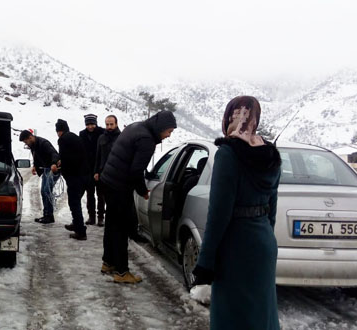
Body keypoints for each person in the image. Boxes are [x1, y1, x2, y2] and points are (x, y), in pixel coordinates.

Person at [192, 96, 282, 330]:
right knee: (261, 314)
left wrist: (205, 263)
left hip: (236, 246)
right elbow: (272, 206)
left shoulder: (228, 154)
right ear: (255, 119)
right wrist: (265, 237)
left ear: (229, 117)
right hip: (263, 244)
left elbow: (219, 213)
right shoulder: (270, 154)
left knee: (232, 317)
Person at [99, 111, 177, 283]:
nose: (168, 135)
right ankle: (121, 272)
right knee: (121, 228)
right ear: (160, 128)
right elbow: (136, 171)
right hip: (119, 186)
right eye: (168, 131)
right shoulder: (147, 140)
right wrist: (143, 191)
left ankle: (109, 262)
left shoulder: (136, 127)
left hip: (108, 181)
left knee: (112, 225)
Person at [55, 119, 90, 240]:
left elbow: (66, 158)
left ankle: (80, 231)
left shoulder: (63, 139)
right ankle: (76, 224)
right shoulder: (75, 137)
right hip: (84, 175)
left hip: (75, 176)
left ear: (59, 131)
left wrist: (61, 165)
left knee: (74, 203)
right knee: (74, 202)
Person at [19, 129, 60, 224]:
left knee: (46, 191)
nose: (26, 144)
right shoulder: (33, 145)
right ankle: (47, 215)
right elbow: (36, 156)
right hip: (46, 169)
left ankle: (49, 216)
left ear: (30, 137)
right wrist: (35, 166)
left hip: (52, 169)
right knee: (44, 191)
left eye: (26, 141)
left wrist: (54, 163)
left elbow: (54, 154)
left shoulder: (43, 143)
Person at [93, 114, 120, 227]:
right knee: (101, 196)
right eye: (107, 124)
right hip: (102, 172)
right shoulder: (101, 138)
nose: (109, 126)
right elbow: (98, 156)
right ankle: (100, 218)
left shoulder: (121, 137)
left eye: (111, 124)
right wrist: (96, 171)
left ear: (116, 124)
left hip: (116, 173)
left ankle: (113, 219)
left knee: (114, 198)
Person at [79, 114, 105, 225]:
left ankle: (100, 217)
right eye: (88, 124)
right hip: (87, 169)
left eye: (92, 124)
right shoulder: (82, 134)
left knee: (101, 195)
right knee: (90, 194)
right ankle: (91, 217)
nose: (90, 126)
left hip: (100, 168)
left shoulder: (102, 133)